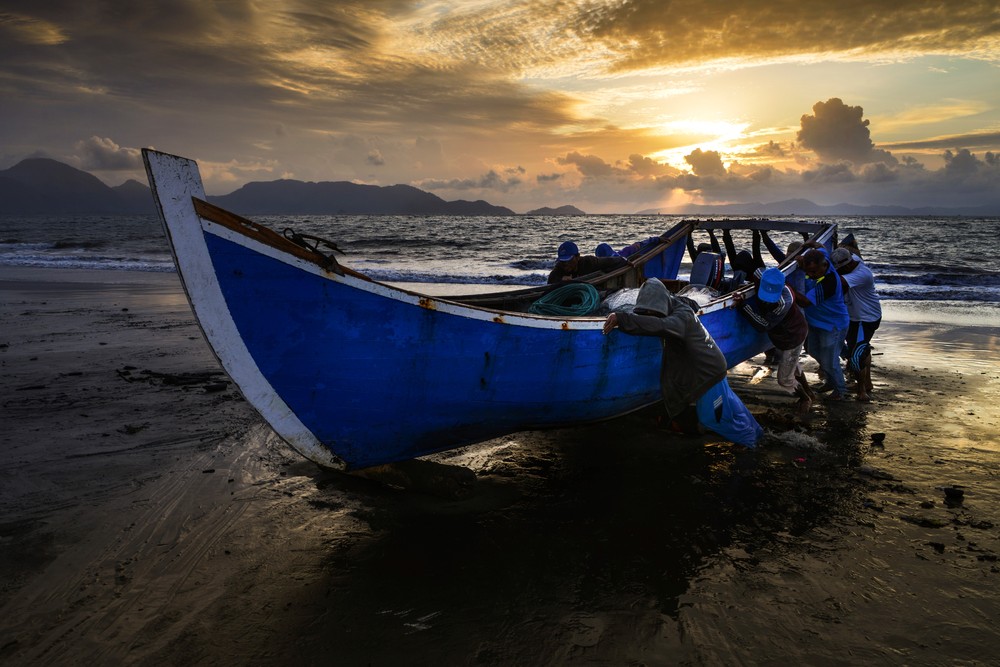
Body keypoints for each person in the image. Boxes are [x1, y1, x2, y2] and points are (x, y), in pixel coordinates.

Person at [603, 279, 763, 447]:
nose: (650, 317)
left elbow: (662, 325)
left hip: (708, 376)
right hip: (714, 368)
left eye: (652, 313)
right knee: (732, 408)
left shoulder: (681, 318)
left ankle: (751, 446)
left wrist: (621, 319)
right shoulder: (678, 304)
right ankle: (758, 433)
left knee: (714, 419)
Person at [734, 267, 816, 413]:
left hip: (792, 336)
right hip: (785, 333)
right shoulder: (760, 274)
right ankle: (809, 392)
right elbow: (754, 272)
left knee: (784, 378)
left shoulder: (784, 301)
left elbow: (763, 325)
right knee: (793, 364)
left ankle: (805, 397)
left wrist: (743, 306)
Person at [795, 247, 850, 400]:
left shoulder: (829, 282)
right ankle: (831, 381)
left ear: (824, 266)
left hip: (833, 325)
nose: (810, 275)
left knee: (830, 361)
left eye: (813, 271)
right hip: (816, 323)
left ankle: (841, 391)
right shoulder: (823, 257)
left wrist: (787, 289)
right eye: (807, 271)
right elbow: (820, 246)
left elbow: (805, 302)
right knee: (812, 350)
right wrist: (805, 251)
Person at [831, 247, 882, 402]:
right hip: (856, 317)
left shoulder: (862, 274)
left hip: (865, 318)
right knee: (861, 348)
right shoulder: (854, 260)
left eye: (839, 269)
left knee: (857, 353)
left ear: (846, 266)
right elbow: (851, 249)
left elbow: (837, 281)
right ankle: (867, 383)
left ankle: (862, 391)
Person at [548, 241, 627, 284]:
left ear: (577, 257)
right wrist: (561, 280)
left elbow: (610, 261)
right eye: (562, 261)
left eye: (568, 260)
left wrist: (624, 261)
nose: (565, 264)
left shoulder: (589, 262)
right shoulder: (560, 267)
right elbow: (550, 281)